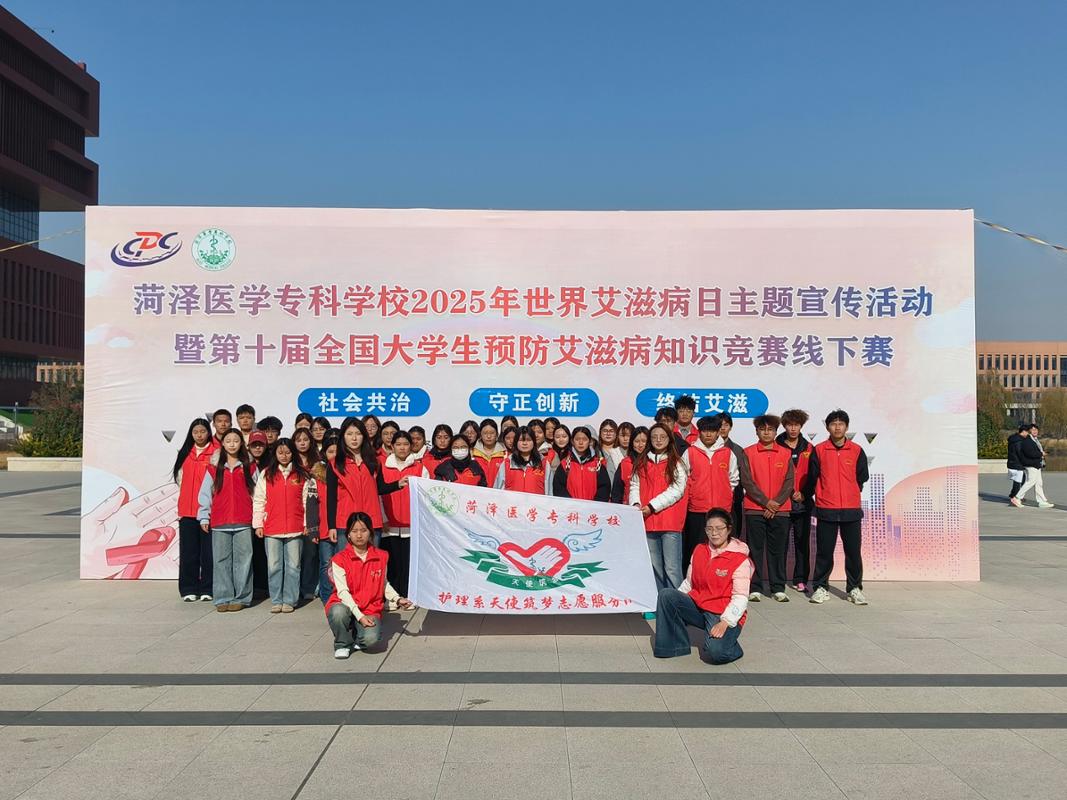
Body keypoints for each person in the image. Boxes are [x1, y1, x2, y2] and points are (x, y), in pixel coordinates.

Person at [652, 508, 753, 664]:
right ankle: (674, 647)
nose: (714, 533)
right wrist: (676, 602)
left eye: (719, 528)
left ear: (729, 529)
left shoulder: (740, 559)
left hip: (722, 613)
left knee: (716, 653)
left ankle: (732, 648)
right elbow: (689, 583)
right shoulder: (699, 550)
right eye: (709, 529)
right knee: (667, 595)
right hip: (699, 606)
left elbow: (740, 597)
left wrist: (725, 622)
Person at [325, 511, 413, 659]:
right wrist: (360, 616)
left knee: (370, 640)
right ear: (348, 534)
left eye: (363, 530)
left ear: (371, 533)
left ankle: (356, 635)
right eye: (354, 531)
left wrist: (397, 599)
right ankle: (342, 643)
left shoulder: (381, 556)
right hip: (344, 603)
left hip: (369, 607)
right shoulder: (339, 559)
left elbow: (383, 583)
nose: (359, 535)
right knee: (338, 613)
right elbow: (342, 592)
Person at [808, 409, 869, 605]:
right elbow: (812, 477)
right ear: (827, 427)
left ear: (846, 427)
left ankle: (854, 588)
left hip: (851, 509)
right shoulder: (819, 450)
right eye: (833, 424)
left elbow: (862, 477)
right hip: (827, 508)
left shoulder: (857, 450)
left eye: (841, 424)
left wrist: (850, 492)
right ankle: (820, 587)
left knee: (853, 552)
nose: (837, 427)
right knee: (824, 552)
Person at [322, 417, 383, 603]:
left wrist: (399, 484)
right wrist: (332, 526)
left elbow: (381, 487)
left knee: (372, 565)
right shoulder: (335, 464)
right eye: (349, 434)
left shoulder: (373, 461)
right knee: (347, 566)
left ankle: (371, 603)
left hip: (371, 521)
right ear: (343, 437)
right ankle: (347, 604)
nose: (354, 438)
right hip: (344, 523)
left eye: (358, 434)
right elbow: (331, 497)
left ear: (364, 436)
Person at [197, 429, 257, 611]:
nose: (232, 444)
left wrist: (258, 518)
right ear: (222, 444)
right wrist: (204, 515)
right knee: (221, 560)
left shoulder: (250, 467)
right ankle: (223, 597)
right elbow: (205, 493)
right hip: (220, 521)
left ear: (241, 444)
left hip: (244, 520)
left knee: (244, 561)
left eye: (236, 441)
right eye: (228, 441)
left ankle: (242, 597)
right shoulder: (214, 468)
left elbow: (258, 494)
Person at [740, 415, 794, 603]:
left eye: (770, 429)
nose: (766, 432)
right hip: (755, 509)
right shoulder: (748, 452)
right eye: (762, 429)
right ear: (756, 432)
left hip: (780, 510)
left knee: (777, 550)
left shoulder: (785, 453)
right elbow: (747, 481)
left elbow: (789, 482)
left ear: (776, 432)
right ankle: (755, 587)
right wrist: (765, 502)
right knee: (755, 549)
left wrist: (775, 503)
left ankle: (778, 587)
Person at [630, 422, 688, 596]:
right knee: (654, 567)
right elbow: (634, 485)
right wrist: (636, 505)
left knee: (672, 568)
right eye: (654, 437)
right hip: (647, 522)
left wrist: (652, 506)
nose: (658, 440)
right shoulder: (641, 462)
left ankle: (676, 604)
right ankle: (659, 601)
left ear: (669, 439)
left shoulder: (676, 462)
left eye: (662, 437)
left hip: (669, 523)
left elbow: (677, 490)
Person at [253, 437, 310, 613]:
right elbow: (259, 500)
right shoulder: (266, 474)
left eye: (287, 452)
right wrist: (258, 524)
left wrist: (307, 523)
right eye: (280, 452)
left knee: (293, 566)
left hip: (295, 527)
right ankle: (277, 599)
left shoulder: (302, 475)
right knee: (274, 566)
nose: (284, 456)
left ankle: (290, 600)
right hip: (272, 528)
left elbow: (307, 501)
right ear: (275, 454)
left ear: (293, 453)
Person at [682, 415, 739, 572]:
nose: (708, 434)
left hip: (721, 510)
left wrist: (724, 494)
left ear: (718, 432)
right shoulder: (690, 452)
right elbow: (683, 478)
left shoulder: (727, 453)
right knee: (696, 548)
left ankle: (720, 579)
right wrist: (693, 496)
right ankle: (694, 578)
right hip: (697, 510)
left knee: (722, 548)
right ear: (699, 432)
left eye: (712, 431)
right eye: (705, 430)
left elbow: (733, 479)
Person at [173, 418, 217, 601]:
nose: (199, 435)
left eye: (203, 431)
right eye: (195, 432)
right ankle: (188, 588)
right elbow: (179, 478)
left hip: (207, 512)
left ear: (209, 432)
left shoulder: (216, 453)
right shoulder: (185, 453)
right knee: (188, 553)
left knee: (208, 553)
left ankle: (208, 588)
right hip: (187, 511)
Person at [379, 431, 427, 598]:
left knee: (408, 563)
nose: (402, 448)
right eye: (398, 444)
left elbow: (426, 497)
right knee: (391, 563)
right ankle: (393, 597)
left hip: (411, 526)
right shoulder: (382, 467)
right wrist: (383, 518)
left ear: (411, 446)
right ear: (392, 446)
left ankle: (408, 596)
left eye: (406, 444)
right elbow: (378, 494)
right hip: (388, 526)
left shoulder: (420, 468)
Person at [777, 409, 817, 593]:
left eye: (796, 425)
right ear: (784, 426)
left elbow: (815, 475)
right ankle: (778, 581)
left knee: (802, 543)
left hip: (803, 503)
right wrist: (787, 493)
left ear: (801, 426)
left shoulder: (809, 448)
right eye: (789, 425)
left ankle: (800, 579)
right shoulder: (775, 446)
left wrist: (805, 493)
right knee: (780, 544)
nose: (793, 429)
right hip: (781, 503)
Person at [293, 427, 322, 604]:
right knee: (295, 556)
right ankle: (295, 588)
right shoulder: (290, 462)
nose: (302, 443)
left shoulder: (317, 463)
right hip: (293, 514)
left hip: (312, 514)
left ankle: (309, 587)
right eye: (299, 440)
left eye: (305, 439)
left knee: (311, 553)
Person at [552, 425, 611, 501]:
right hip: (571, 507)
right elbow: (559, 488)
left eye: (584, 439)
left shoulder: (597, 464)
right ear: (572, 441)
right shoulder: (565, 464)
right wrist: (570, 504)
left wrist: (595, 504)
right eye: (577, 439)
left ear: (589, 441)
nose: (581, 442)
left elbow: (604, 487)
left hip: (593, 507)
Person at [495, 426, 550, 493]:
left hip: (537, 500)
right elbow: (498, 491)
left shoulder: (543, 463)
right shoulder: (507, 463)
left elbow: (549, 490)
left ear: (534, 442)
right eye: (521, 440)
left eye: (528, 440)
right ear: (516, 442)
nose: (525, 443)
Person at [718, 412, 746, 535]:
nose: (723, 428)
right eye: (720, 425)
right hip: (712, 500)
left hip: (734, 500)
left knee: (733, 534)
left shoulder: (738, 450)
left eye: (726, 425)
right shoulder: (707, 449)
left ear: (730, 427)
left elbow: (742, 477)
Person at [1016, 424, 1055, 508]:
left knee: (1039, 483)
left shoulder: (1035, 440)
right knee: (1031, 481)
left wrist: (1041, 454)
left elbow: (1034, 451)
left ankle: (1042, 502)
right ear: (1029, 431)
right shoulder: (1027, 440)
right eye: (1033, 429)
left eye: (1036, 429)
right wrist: (1041, 454)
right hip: (1030, 464)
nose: (1035, 431)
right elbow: (1029, 453)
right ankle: (1017, 497)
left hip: (1036, 464)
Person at [611, 425, 649, 504]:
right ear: (632, 443)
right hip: (630, 507)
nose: (640, 445)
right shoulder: (625, 463)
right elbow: (617, 493)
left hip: (651, 507)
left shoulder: (655, 462)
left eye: (643, 441)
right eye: (637, 441)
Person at [472, 418, 507, 487]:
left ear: (497, 434)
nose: (488, 436)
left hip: (499, 492)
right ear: (480, 435)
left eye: (492, 433)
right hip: (477, 492)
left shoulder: (505, 454)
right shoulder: (472, 454)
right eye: (485, 433)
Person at [1006, 424, 1029, 504]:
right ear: (1023, 431)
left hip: (1012, 462)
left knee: (1019, 480)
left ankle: (1014, 495)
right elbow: (1020, 453)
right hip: (1017, 463)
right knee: (1019, 481)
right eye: (1027, 432)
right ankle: (1015, 497)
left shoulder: (1013, 439)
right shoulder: (1019, 441)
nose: (1027, 434)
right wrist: (1026, 460)